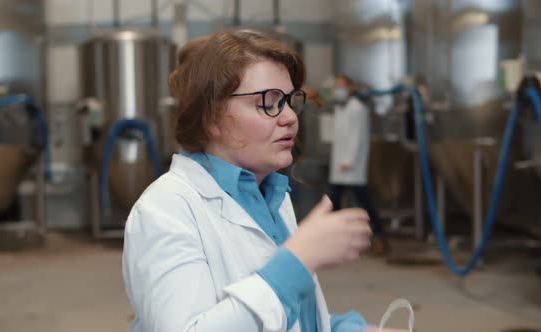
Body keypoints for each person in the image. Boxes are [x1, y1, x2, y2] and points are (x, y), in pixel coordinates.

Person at [122, 30, 406, 332]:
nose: (290, 118)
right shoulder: (166, 209)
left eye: (290, 101)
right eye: (269, 103)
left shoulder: (274, 197)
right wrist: (297, 260)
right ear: (213, 118)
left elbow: (285, 319)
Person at [328, 75, 389, 256]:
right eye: (336, 86)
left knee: (362, 202)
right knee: (335, 201)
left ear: (350, 88)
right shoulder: (340, 108)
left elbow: (357, 137)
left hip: (350, 165)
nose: (338, 90)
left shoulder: (357, 109)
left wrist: (348, 160)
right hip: (340, 164)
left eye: (341, 86)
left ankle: (379, 236)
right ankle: (337, 239)